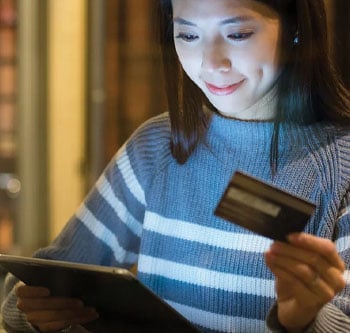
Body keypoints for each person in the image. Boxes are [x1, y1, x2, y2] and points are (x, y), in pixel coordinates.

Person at [2, 0, 350, 332]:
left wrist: (302, 321)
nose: (211, 62)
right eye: (187, 35)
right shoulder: (156, 146)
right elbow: (31, 287)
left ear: (295, 27)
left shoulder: (341, 165)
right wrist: (37, 312)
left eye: (238, 34)